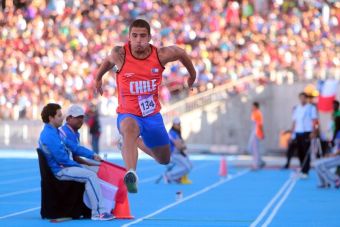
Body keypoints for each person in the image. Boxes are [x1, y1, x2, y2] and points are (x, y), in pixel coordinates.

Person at [95, 19, 196, 193]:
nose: (139, 40)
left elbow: (181, 53)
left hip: (152, 115)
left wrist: (192, 75)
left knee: (164, 159)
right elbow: (108, 62)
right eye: (134, 36)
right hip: (129, 113)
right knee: (128, 127)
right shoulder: (121, 54)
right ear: (129, 37)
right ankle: (131, 173)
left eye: (143, 36)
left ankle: (132, 143)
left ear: (149, 37)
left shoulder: (160, 55)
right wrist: (98, 79)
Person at [38, 103, 114, 221]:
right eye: (59, 116)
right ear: (50, 118)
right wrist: (80, 166)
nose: (62, 118)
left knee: (93, 172)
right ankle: (99, 212)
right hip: (60, 170)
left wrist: (92, 155)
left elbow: (74, 147)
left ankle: (97, 209)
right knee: (90, 176)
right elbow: (62, 159)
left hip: (65, 167)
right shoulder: (49, 135)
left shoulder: (56, 132)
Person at [291, 92, 318, 178]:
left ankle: (306, 171)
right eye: (301, 98)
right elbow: (294, 121)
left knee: (306, 152)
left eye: (304, 98)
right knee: (300, 152)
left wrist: (313, 132)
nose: (302, 99)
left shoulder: (311, 108)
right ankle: (302, 169)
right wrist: (292, 133)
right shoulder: (297, 108)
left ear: (306, 98)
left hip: (307, 132)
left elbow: (314, 120)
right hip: (298, 132)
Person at [163, 117, 193, 184]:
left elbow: (181, 144)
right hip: (173, 154)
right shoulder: (172, 133)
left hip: (179, 153)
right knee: (187, 167)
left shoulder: (177, 132)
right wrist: (183, 147)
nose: (179, 125)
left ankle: (177, 177)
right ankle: (168, 176)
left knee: (190, 166)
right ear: (173, 124)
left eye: (179, 124)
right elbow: (179, 146)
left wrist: (183, 147)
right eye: (177, 124)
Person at [314, 116, 340, 189]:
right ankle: (324, 183)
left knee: (321, 165)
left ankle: (336, 179)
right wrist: (330, 153)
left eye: (335, 122)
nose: (334, 124)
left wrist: (332, 154)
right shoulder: (337, 132)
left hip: (338, 157)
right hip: (336, 156)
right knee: (317, 165)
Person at [247, 102, 265, 169]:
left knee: (254, 149)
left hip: (256, 133)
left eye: (253, 106)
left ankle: (256, 164)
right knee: (251, 148)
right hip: (254, 132)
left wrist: (262, 133)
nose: (252, 108)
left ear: (256, 107)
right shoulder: (254, 113)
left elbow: (260, 124)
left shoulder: (258, 113)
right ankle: (260, 161)